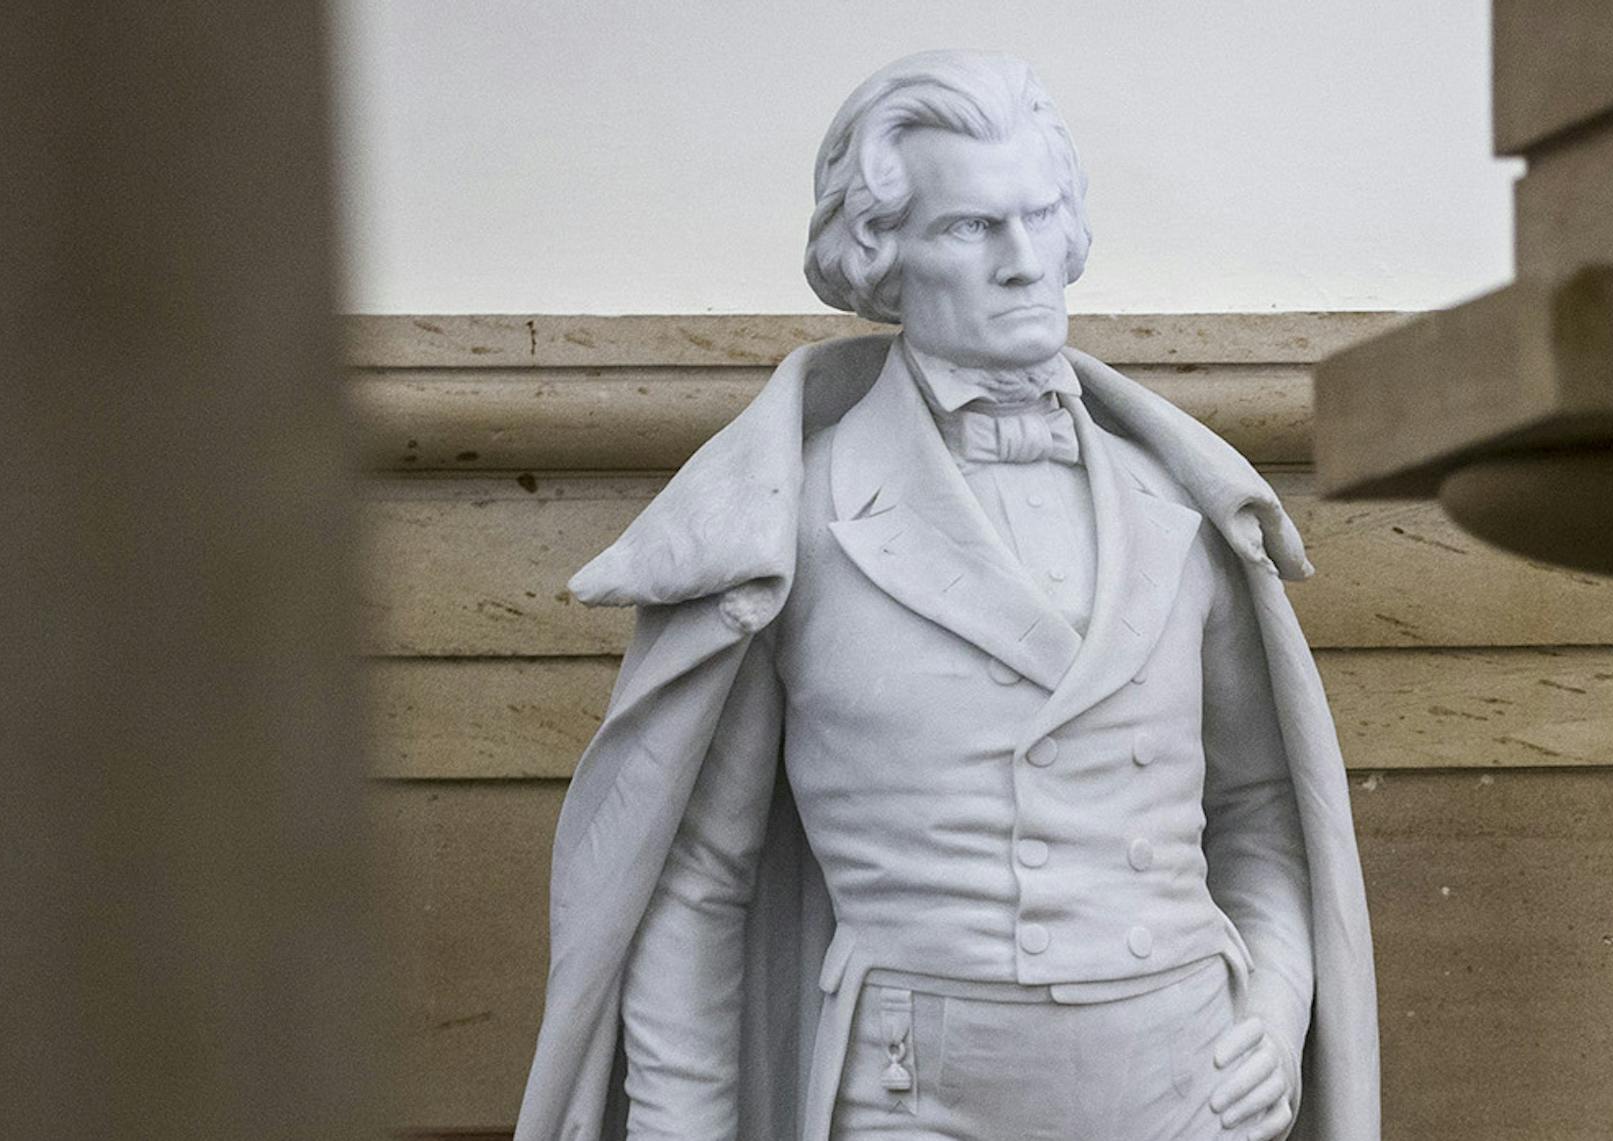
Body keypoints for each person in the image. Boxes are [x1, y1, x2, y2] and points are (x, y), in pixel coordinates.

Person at [514, 50, 1379, 1141]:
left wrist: (1278, 996)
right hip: (913, 1096)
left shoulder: (1183, 505)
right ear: (883, 256)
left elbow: (1261, 809)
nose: (1026, 262)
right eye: (973, 228)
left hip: (1192, 1083)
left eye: (1042, 216)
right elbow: (697, 884)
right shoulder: (794, 520)